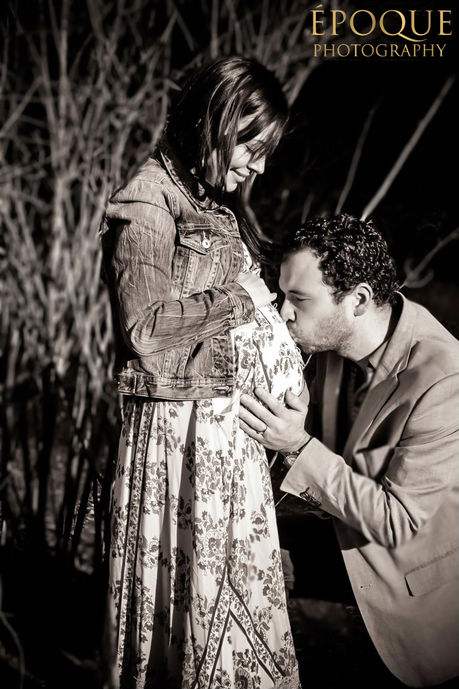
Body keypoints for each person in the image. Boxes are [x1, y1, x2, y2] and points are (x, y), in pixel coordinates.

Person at [100, 56, 304, 689]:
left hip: (222, 445)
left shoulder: (208, 200)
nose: (259, 168)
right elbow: (144, 329)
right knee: (188, 610)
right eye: (253, 148)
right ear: (217, 122)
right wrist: (239, 298)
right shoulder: (148, 200)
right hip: (179, 442)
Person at [239, 214, 459, 688]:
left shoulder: (445, 378)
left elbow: (397, 522)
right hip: (340, 540)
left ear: (357, 300)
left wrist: (297, 445)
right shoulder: (329, 343)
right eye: (282, 295)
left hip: (415, 601)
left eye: (299, 299)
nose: (284, 314)